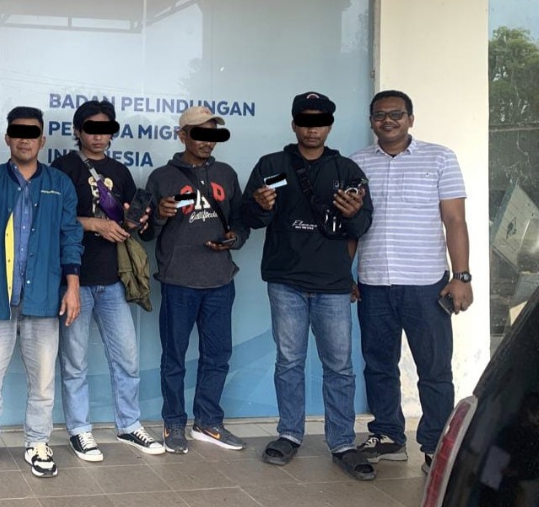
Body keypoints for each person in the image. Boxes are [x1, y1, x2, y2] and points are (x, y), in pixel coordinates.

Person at [241, 91, 375, 480]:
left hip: (332, 284)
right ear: (294, 124)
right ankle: (289, 434)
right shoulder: (273, 165)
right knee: (289, 362)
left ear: (328, 126)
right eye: (305, 121)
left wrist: (354, 213)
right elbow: (250, 217)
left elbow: (363, 225)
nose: (312, 129)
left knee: (339, 367)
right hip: (286, 281)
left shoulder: (346, 170)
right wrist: (260, 205)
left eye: (319, 122)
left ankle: (343, 442)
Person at [350, 90, 470, 474]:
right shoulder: (356, 163)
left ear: (410, 119)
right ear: (371, 121)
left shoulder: (440, 158)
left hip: (427, 284)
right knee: (378, 365)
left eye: (396, 114)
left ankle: (436, 446)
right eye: (380, 115)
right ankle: (388, 435)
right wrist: (344, 275)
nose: (388, 121)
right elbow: (351, 226)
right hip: (374, 282)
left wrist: (461, 276)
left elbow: (455, 221)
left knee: (434, 369)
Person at [0, 107, 84, 479]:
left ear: (42, 140)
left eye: (32, 133)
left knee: (43, 382)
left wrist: (73, 287)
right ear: (8, 138)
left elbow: (71, 237)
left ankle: (37, 443)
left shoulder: (60, 183)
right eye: (18, 132)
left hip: (43, 299)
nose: (25, 139)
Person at [51, 100, 163, 462]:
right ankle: (79, 430)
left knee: (127, 358)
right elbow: (51, 219)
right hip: (74, 280)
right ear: (78, 130)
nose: (99, 136)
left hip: (113, 279)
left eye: (106, 129)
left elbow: (131, 223)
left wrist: (136, 220)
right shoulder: (63, 168)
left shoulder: (120, 171)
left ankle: (129, 424)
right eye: (92, 129)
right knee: (75, 363)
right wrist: (94, 224)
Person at [144, 105, 250, 455]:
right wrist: (160, 215)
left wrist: (234, 238)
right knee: (174, 357)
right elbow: (145, 232)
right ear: (182, 135)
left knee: (217, 355)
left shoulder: (226, 174)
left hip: (220, 279)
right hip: (179, 281)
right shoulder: (162, 177)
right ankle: (174, 423)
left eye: (212, 134)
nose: (207, 141)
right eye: (200, 134)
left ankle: (208, 422)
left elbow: (241, 222)